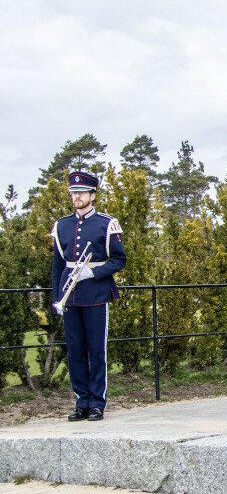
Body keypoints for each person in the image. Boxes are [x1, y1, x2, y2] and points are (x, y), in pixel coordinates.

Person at [50, 171, 126, 422]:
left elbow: (118, 260)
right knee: (75, 351)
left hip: (96, 293)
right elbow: (57, 266)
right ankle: (81, 401)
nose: (77, 197)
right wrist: (56, 297)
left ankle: (97, 403)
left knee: (96, 349)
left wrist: (92, 273)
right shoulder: (62, 225)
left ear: (92, 195)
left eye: (82, 193)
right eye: (74, 193)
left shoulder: (106, 223)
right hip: (69, 296)